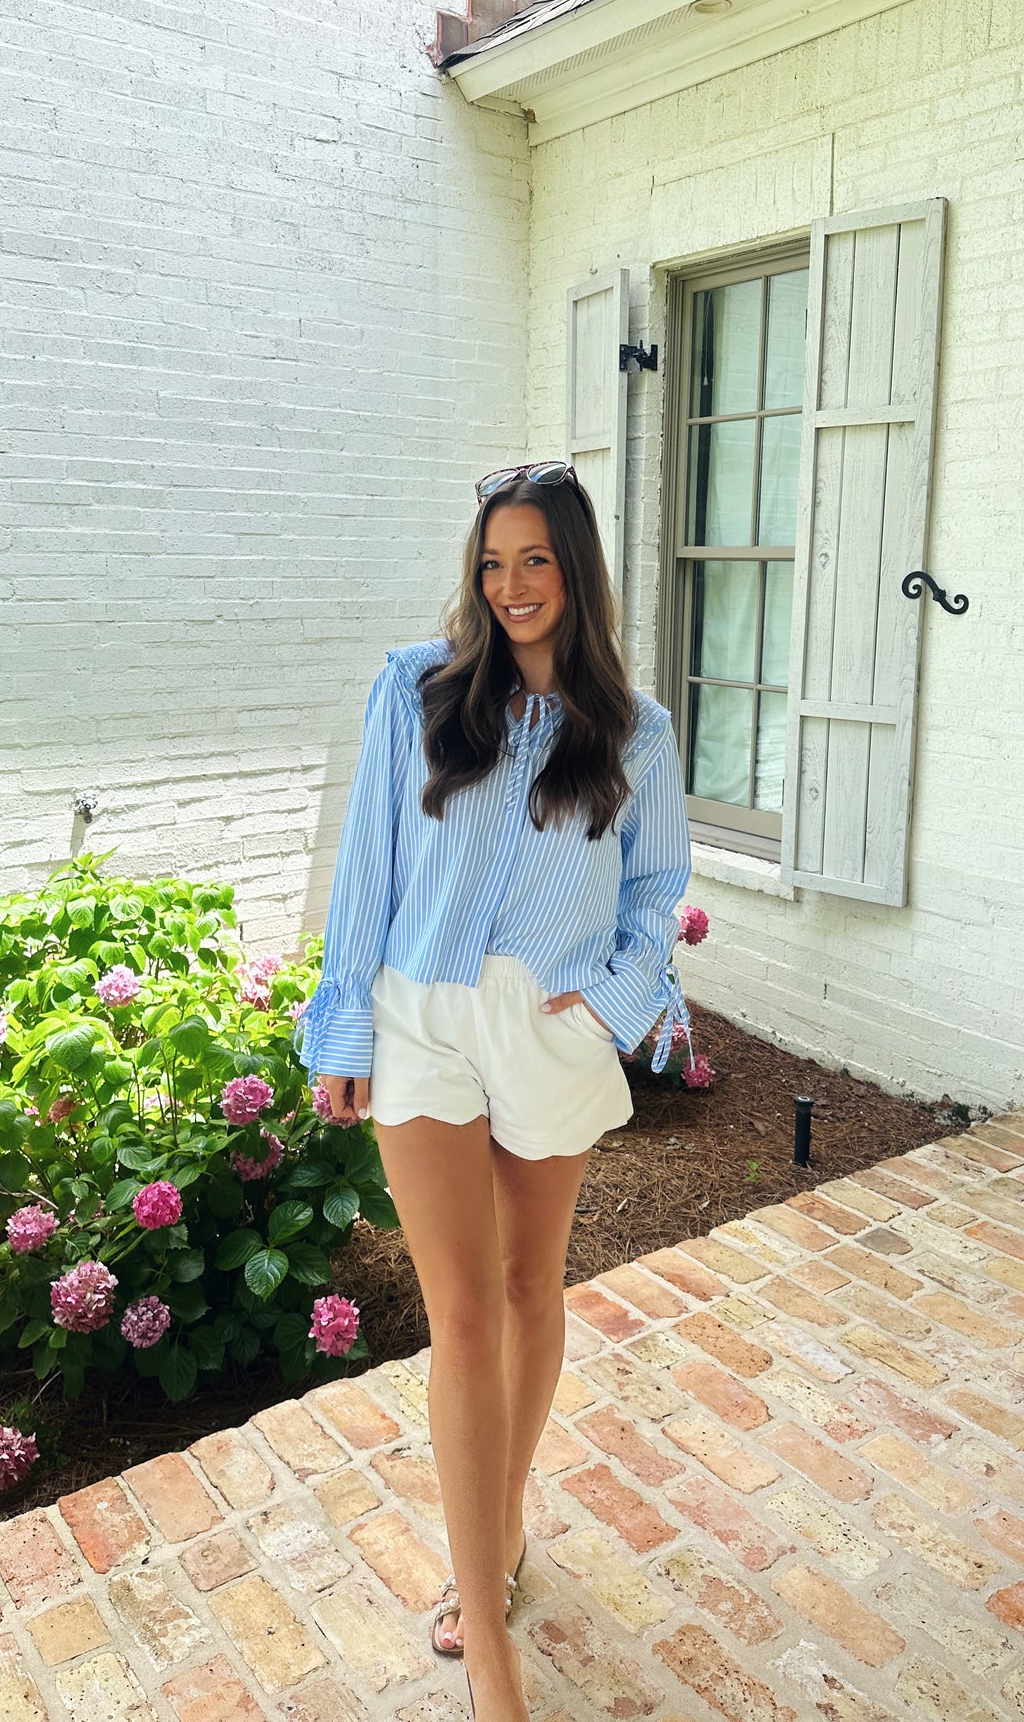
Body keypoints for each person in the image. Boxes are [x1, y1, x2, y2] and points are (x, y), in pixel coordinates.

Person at [294, 458, 693, 1722]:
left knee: (532, 1288)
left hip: (552, 1023)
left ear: (573, 570)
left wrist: (620, 1006)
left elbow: (654, 893)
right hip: (420, 1017)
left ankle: (502, 1529)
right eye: (490, 561)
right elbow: (364, 865)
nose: (510, 586)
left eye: (534, 560)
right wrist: (341, 1024)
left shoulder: (635, 729)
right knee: (461, 1316)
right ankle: (495, 1657)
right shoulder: (413, 690)